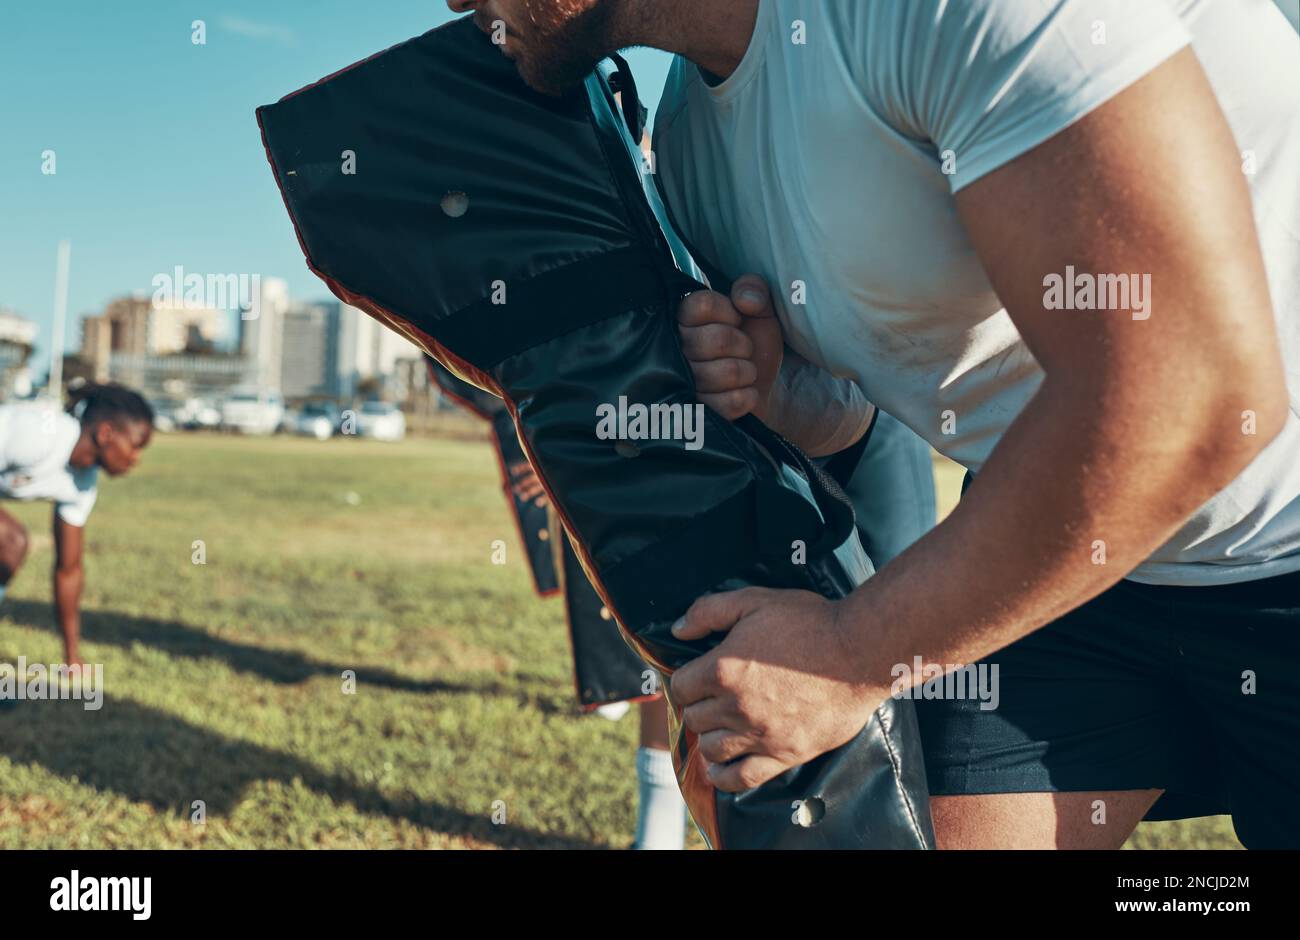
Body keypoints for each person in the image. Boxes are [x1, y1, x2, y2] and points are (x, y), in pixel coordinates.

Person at [447, 0, 1300, 848]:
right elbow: (857, 416)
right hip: (1065, 558)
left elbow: (1193, 400)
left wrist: (847, 654)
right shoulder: (688, 143)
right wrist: (776, 392)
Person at [0, 384, 153, 675]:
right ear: (106, 433)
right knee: (11, 540)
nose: (136, 458)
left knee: (7, 546)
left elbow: (68, 569)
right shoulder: (41, 436)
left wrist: (71, 658)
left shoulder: (81, 484)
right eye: (135, 445)